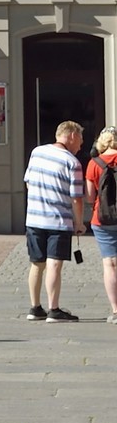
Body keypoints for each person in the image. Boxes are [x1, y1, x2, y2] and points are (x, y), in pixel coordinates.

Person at [24, 120, 87, 322]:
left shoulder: (37, 152)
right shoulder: (72, 162)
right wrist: (79, 223)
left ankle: (35, 308)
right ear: (71, 136)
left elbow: (28, 182)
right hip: (58, 220)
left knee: (37, 264)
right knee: (54, 264)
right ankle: (54, 309)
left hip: (33, 218)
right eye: (80, 139)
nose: (82, 144)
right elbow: (77, 198)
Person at [86, 127, 117, 322]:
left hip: (102, 218)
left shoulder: (94, 163)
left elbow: (90, 197)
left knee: (110, 263)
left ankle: (116, 310)